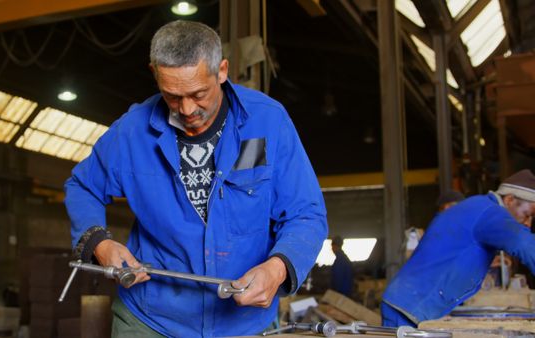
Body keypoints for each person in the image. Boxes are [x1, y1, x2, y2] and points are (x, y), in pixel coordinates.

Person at [64, 20, 327, 337]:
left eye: (199, 93)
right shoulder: (132, 132)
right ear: (155, 74)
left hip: (244, 324)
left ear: (222, 70)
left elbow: (306, 214)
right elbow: (82, 186)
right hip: (151, 320)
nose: (187, 109)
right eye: (172, 96)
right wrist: (100, 243)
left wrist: (277, 268)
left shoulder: (268, 122)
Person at [381, 169, 535, 327]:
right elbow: (526, 244)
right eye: (527, 214)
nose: (528, 224)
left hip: (410, 303)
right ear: (509, 200)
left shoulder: (479, 207)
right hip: (412, 306)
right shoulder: (490, 213)